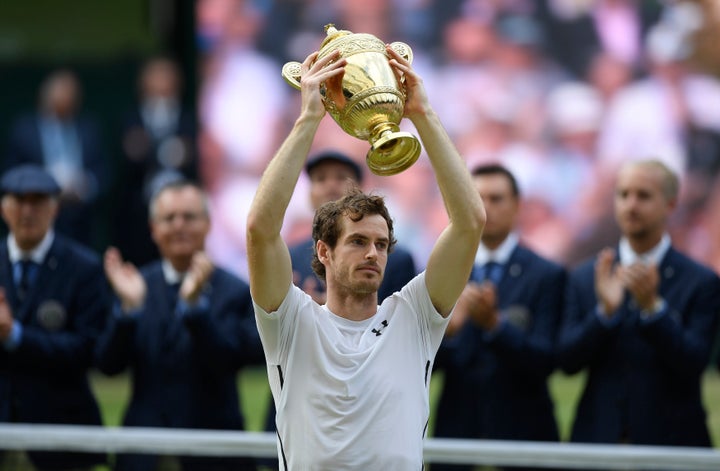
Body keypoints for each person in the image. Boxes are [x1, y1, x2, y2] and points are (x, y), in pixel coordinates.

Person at [246, 44, 486, 469]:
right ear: (323, 251)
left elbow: (469, 223)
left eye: (380, 243)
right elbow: (261, 230)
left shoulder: (414, 317)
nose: (373, 252)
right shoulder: (291, 321)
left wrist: (423, 117)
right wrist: (309, 118)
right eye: (357, 241)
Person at [95, 179, 262, 471]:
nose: (179, 226)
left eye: (189, 217)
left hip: (214, 454)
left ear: (208, 224)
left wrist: (196, 309)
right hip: (145, 453)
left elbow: (230, 361)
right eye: (169, 218)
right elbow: (108, 366)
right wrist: (128, 311)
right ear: (153, 229)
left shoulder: (235, 290)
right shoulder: (135, 285)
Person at [557, 159, 720, 447]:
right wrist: (603, 315)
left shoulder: (701, 281)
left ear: (670, 205)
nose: (631, 205)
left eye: (643, 196)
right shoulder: (586, 276)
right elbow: (567, 362)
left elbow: (696, 363)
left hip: (672, 445)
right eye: (623, 195)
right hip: (598, 440)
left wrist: (654, 310)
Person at [432, 164, 566, 471]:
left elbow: (549, 360)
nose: (486, 207)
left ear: (517, 206)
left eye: (496, 198)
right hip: (457, 432)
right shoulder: (440, 272)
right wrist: (448, 331)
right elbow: (420, 364)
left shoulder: (546, 275)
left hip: (524, 434)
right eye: (478, 198)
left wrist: (496, 325)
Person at [0, 164, 108, 471]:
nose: (27, 211)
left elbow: (89, 348)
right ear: (3, 208)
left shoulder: (83, 268)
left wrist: (16, 336)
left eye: (38, 202)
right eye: (19, 201)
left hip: (60, 436)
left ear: (55, 209)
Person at [5, 69, 109, 249]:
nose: (66, 97)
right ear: (45, 95)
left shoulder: (89, 128)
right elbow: (12, 174)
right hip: (39, 209)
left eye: (71, 93)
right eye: (60, 91)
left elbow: (104, 170)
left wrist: (86, 185)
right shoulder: (24, 131)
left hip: (81, 215)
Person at [113, 56, 198, 267]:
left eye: (167, 78)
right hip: (139, 218)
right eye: (156, 78)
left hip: (182, 210)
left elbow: (195, 159)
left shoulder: (189, 119)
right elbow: (129, 156)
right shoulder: (130, 118)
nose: (161, 85)